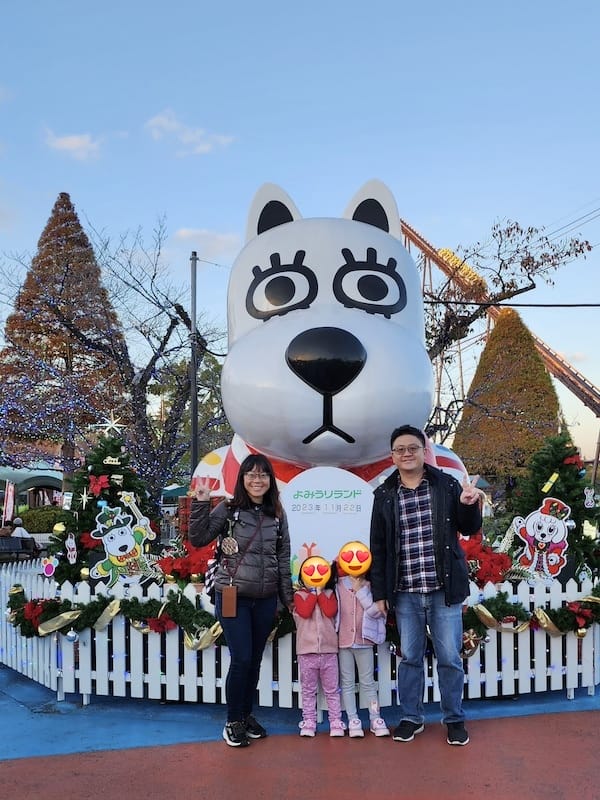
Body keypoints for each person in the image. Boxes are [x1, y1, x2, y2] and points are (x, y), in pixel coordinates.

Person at [369, 425, 482, 747]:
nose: (406, 453)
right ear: (392, 456)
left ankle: (455, 719)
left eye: (412, 448)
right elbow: (378, 547)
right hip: (404, 592)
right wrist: (380, 593)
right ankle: (411, 717)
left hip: (443, 590)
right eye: (400, 449)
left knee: (449, 658)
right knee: (410, 658)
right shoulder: (384, 495)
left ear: (423, 450)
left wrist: (468, 503)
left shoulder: (446, 485)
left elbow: (469, 527)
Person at [189, 454, 294, 748]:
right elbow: (199, 538)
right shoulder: (230, 509)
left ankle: (246, 715)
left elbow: (282, 559)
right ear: (242, 478)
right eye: (251, 474)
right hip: (233, 594)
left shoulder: (277, 513)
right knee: (242, 658)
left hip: (265, 598)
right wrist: (200, 503)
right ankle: (233, 721)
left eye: (263, 475)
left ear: (270, 480)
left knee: (255, 660)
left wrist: (288, 599)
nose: (257, 480)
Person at [336, 550, 390, 738]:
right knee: (347, 683)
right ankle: (353, 719)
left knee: (368, 683)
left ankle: (375, 717)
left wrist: (361, 592)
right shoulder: (338, 585)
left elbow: (377, 611)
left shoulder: (372, 586)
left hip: (364, 642)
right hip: (343, 642)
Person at [293, 556, 345, 738]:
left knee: (332, 690)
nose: (316, 575)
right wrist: (313, 593)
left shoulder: (330, 595)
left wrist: (321, 592)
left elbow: (330, 611)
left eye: (321, 571)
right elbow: (305, 611)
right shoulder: (299, 595)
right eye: (310, 572)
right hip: (306, 652)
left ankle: (336, 721)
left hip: (329, 652)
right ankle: (308, 720)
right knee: (308, 690)